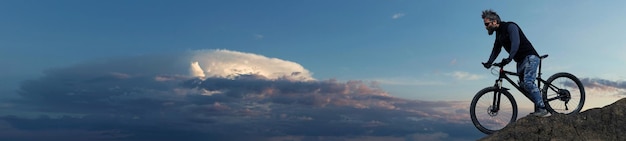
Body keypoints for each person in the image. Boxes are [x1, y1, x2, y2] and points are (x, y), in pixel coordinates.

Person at [480, 9, 548, 117]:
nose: (485, 27)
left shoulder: (510, 26)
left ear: (494, 21)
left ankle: (543, 108)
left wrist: (509, 58)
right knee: (523, 86)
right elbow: (496, 49)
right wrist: (489, 62)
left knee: (528, 83)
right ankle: (540, 101)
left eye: (487, 24)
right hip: (520, 61)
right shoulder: (499, 35)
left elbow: (516, 43)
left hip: (530, 57)